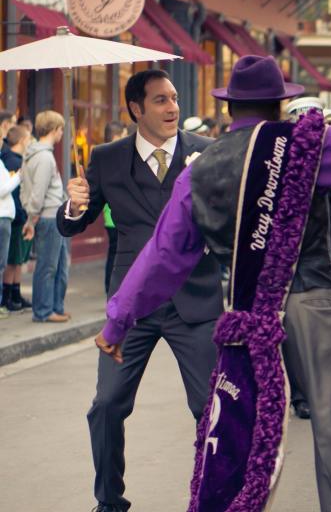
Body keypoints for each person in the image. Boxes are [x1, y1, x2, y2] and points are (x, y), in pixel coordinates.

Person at [94, 26, 331, 511]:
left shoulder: (201, 168)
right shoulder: (308, 145)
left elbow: (163, 255)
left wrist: (118, 320)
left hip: (246, 317)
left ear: (228, 109)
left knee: (239, 435)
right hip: (314, 303)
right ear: (281, 105)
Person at [56, 71, 222, 512]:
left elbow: (227, 219)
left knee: (213, 409)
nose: (172, 108)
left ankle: (218, 498)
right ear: (135, 109)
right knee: (107, 406)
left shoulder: (204, 154)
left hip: (196, 299)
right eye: (160, 101)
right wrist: (72, 204)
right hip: (132, 306)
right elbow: (78, 221)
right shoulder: (107, 159)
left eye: (174, 99)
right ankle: (110, 502)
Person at [22, 110, 69, 323]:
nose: (62, 134)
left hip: (52, 216)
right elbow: (38, 193)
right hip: (49, 218)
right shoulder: (44, 157)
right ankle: (43, 311)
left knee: (58, 266)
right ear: (52, 130)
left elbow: (28, 189)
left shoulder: (38, 154)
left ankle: (55, 307)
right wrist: (32, 217)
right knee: (48, 267)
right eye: (60, 129)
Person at [2, 125, 30, 312]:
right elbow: (11, 191)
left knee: (18, 258)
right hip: (14, 217)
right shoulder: (12, 161)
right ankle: (8, 297)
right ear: (21, 141)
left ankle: (15, 293)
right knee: (11, 259)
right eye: (28, 139)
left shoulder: (16, 160)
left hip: (17, 216)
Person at [100, 120, 128, 294]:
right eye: (124, 135)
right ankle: (112, 290)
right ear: (117, 136)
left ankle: (112, 289)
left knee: (115, 254)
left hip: (113, 215)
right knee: (116, 255)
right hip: (115, 214)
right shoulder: (111, 156)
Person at [0, 113, 19, 319]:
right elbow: (2, 189)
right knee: (1, 263)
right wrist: (18, 177)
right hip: (2, 216)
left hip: (5, 216)